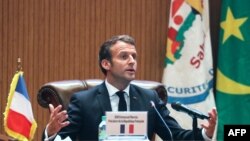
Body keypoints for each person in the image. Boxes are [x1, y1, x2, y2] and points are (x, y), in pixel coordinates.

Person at [43, 35, 217, 141]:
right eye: (124, 56)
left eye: (134, 56)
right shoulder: (83, 101)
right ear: (106, 64)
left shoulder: (150, 99)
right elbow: (64, 139)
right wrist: (51, 133)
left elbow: (174, 136)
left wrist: (204, 134)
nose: (132, 61)